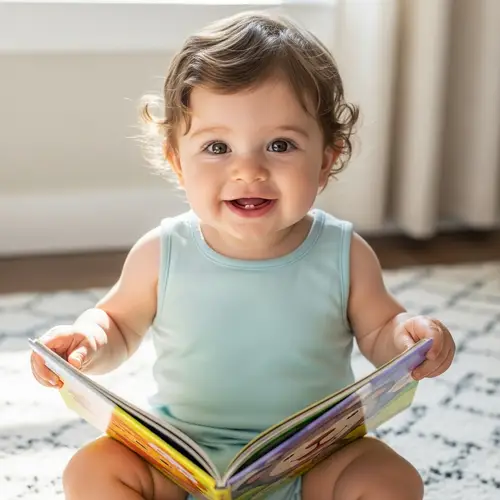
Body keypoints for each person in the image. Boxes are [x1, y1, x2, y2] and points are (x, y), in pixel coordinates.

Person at [30, 10, 455, 500]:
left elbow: (382, 331)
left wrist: (410, 341)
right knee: (91, 470)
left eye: (280, 144)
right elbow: (117, 324)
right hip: (183, 458)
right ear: (177, 161)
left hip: (313, 457)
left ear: (324, 161)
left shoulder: (345, 253)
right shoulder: (162, 251)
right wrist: (86, 340)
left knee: (392, 481)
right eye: (217, 146)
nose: (247, 169)